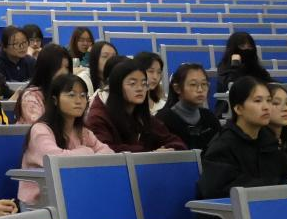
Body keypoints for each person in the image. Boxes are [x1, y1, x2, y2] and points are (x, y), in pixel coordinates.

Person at [197, 76, 287, 200]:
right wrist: (285, 185)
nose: (266, 107)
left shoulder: (267, 140)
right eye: (258, 101)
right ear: (238, 108)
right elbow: (221, 189)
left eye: (268, 100)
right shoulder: (223, 145)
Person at [19, 74, 112, 205]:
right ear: (55, 100)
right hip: (41, 201)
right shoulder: (40, 130)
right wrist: (88, 151)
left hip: (73, 194)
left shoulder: (82, 131)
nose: (79, 101)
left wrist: (87, 156)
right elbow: (56, 160)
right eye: (71, 95)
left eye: (83, 95)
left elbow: (108, 153)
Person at [85, 60, 186, 153]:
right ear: (117, 86)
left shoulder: (142, 116)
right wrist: (150, 153)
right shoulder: (99, 117)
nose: (140, 88)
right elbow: (106, 150)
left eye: (144, 84)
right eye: (132, 83)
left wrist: (169, 149)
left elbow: (175, 142)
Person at [158, 64, 221, 152]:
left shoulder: (210, 118)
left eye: (204, 84)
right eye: (193, 84)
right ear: (177, 88)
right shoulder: (163, 120)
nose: (200, 90)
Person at [15, 44, 71, 124]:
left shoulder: (70, 93)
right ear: (46, 68)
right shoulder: (31, 97)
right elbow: (39, 125)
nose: (64, 72)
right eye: (59, 67)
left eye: (67, 67)